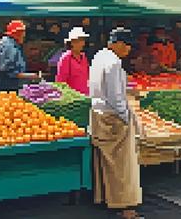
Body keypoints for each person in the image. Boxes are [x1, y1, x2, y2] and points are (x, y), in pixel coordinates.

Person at [88, 28, 143, 219]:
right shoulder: (113, 63)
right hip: (112, 117)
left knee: (105, 161)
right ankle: (125, 207)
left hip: (97, 113)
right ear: (119, 43)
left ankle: (105, 198)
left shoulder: (98, 56)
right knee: (122, 165)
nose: (128, 51)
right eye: (127, 46)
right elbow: (116, 96)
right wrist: (127, 118)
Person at [0, 20, 38, 92]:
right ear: (16, 34)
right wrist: (29, 76)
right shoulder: (9, 46)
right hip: (8, 88)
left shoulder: (10, 43)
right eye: (22, 33)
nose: (24, 36)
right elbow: (9, 71)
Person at [55, 27, 90, 95]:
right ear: (72, 43)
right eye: (78, 41)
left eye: (83, 41)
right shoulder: (66, 58)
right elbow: (60, 82)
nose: (82, 44)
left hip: (85, 96)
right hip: (72, 98)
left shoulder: (83, 57)